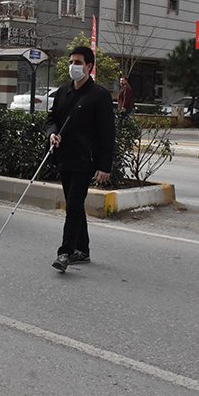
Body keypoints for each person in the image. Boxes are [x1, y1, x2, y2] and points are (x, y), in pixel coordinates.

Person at [46, 46, 116, 272]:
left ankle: (65, 252)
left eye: (78, 62)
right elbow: (51, 119)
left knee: (74, 205)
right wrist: (52, 134)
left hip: (85, 160)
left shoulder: (100, 95)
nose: (73, 66)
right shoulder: (62, 92)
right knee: (74, 206)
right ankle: (83, 250)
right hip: (64, 158)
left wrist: (104, 166)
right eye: (71, 62)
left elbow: (107, 133)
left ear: (89, 66)